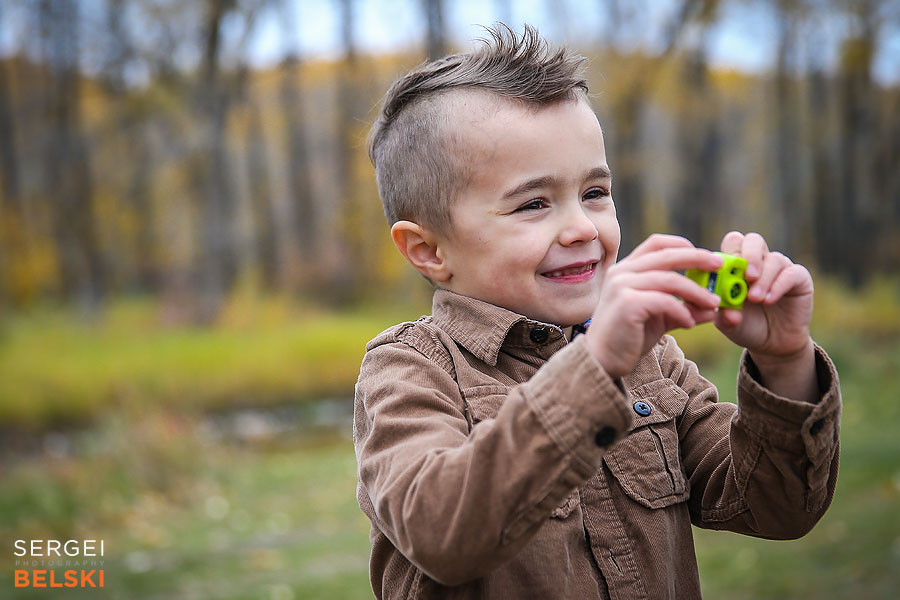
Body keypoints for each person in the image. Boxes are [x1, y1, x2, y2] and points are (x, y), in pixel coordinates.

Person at [353, 23, 840, 600]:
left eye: (594, 193)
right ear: (429, 250)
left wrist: (783, 362)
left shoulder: (651, 358)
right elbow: (441, 533)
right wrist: (597, 364)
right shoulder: (409, 369)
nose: (584, 228)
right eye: (533, 203)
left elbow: (775, 507)